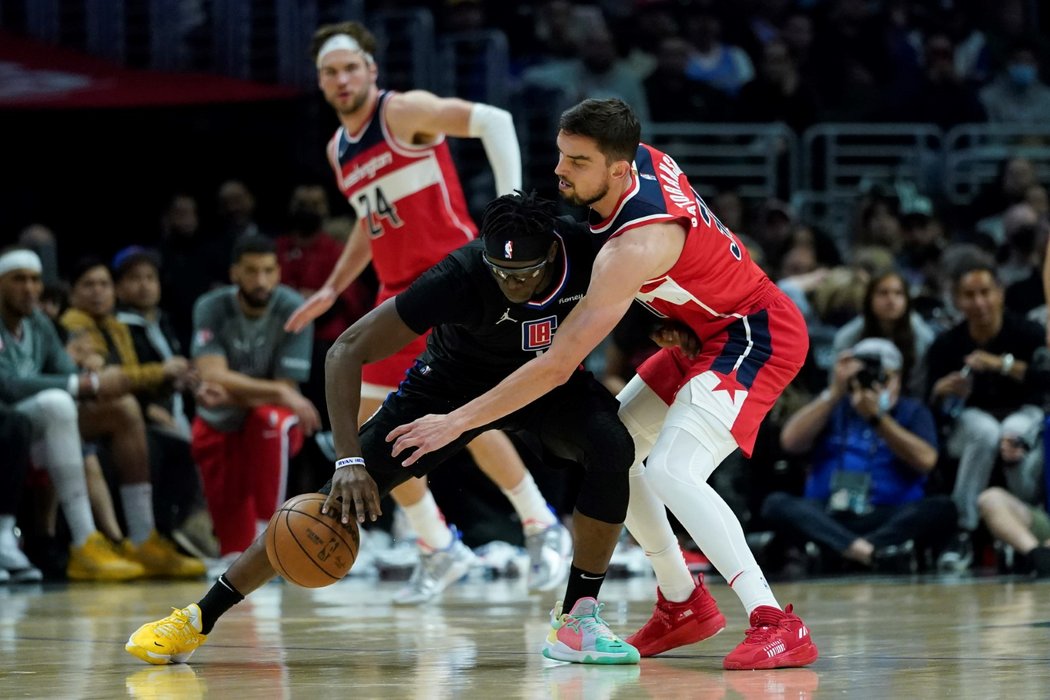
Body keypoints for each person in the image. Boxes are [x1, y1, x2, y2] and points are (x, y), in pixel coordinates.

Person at [388, 98, 818, 670]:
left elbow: (556, 365)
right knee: (614, 453)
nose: (562, 170)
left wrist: (458, 420)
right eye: (562, 154)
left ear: (617, 169)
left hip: (752, 332)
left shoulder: (632, 246)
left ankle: (776, 622)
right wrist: (666, 318)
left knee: (671, 469)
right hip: (700, 329)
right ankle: (682, 601)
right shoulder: (632, 159)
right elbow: (690, 265)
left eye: (578, 161)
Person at [126, 192, 640, 666]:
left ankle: (577, 617)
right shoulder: (460, 275)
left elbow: (656, 279)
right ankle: (194, 619)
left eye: (522, 272)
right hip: (448, 391)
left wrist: (674, 327)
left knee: (612, 445)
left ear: (552, 252)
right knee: (325, 508)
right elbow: (346, 349)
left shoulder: (590, 250)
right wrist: (348, 461)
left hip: (545, 382)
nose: (510, 282)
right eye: (498, 268)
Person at [284, 21, 570, 601]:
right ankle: (437, 545)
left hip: (452, 281)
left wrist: (510, 204)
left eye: (349, 67)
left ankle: (540, 526)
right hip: (398, 293)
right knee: (374, 424)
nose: (340, 79)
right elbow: (373, 222)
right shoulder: (339, 149)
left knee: (458, 411)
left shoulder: (404, 112)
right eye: (329, 72)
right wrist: (334, 287)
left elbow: (495, 120)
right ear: (320, 82)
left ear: (372, 70)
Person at [0, 248, 144, 581]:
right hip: (6, 419)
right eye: (18, 280)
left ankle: (105, 540)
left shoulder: (37, 321)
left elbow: (65, 370)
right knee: (54, 404)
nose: (30, 289)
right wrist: (85, 383)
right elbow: (7, 386)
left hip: (23, 424)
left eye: (35, 280)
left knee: (72, 406)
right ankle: (77, 538)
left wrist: (87, 377)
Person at [772, 338, 956, 573]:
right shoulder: (834, 405)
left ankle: (848, 550)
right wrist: (835, 391)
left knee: (942, 507)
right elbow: (790, 441)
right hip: (831, 513)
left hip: (888, 513)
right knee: (776, 504)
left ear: (898, 379)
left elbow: (927, 461)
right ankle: (868, 552)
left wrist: (878, 418)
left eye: (882, 377)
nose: (873, 384)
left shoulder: (912, 410)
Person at [189, 237, 320, 559]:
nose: (260, 281)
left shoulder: (295, 309)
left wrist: (260, 393)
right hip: (218, 421)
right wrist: (275, 391)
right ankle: (242, 549)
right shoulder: (210, 306)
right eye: (251, 271)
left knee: (270, 421)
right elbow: (212, 375)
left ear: (277, 273)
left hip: (271, 421)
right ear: (235, 273)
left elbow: (285, 388)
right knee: (233, 552)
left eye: (267, 271)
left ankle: (270, 544)